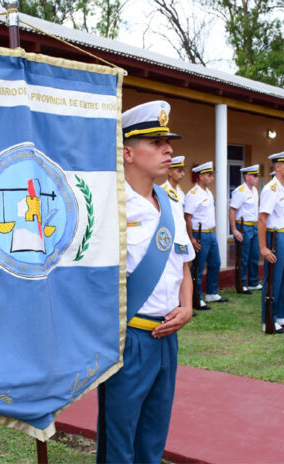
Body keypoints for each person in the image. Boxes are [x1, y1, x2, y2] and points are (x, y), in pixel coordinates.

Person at [97, 100, 195, 464]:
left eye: (167, 142)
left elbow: (183, 264)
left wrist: (187, 307)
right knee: (119, 441)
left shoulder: (170, 202)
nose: (168, 149)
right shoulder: (110, 206)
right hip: (129, 340)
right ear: (128, 153)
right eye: (156, 142)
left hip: (167, 339)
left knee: (153, 437)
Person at [258, 150, 284, 333]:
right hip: (276, 237)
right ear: (277, 167)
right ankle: (268, 319)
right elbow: (262, 218)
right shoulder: (271, 189)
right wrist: (263, 247)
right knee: (273, 278)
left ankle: (281, 315)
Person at [184, 161, 228, 307]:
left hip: (211, 233)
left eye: (212, 175)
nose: (212, 178)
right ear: (201, 176)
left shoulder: (208, 192)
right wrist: (191, 238)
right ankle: (196, 297)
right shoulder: (193, 194)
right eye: (209, 175)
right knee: (198, 266)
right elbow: (187, 218)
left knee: (215, 263)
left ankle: (211, 293)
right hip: (200, 234)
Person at [229, 164, 262, 294]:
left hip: (254, 226)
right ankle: (241, 284)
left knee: (254, 255)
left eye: (257, 175)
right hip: (243, 226)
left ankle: (253, 282)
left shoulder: (255, 191)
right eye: (255, 175)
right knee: (243, 256)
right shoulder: (240, 191)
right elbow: (232, 211)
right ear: (247, 177)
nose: (257, 178)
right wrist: (234, 230)